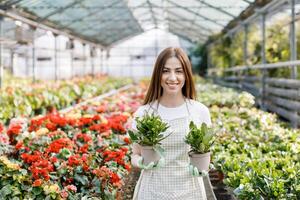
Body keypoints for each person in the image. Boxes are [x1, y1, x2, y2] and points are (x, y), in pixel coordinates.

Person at [130, 47, 212, 200]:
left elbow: (206, 152)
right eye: (166, 71)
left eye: (179, 71)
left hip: (191, 192)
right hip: (151, 192)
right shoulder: (143, 113)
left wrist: (204, 168)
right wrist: (140, 162)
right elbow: (134, 154)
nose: (172, 77)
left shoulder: (199, 111)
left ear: (186, 74)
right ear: (158, 75)